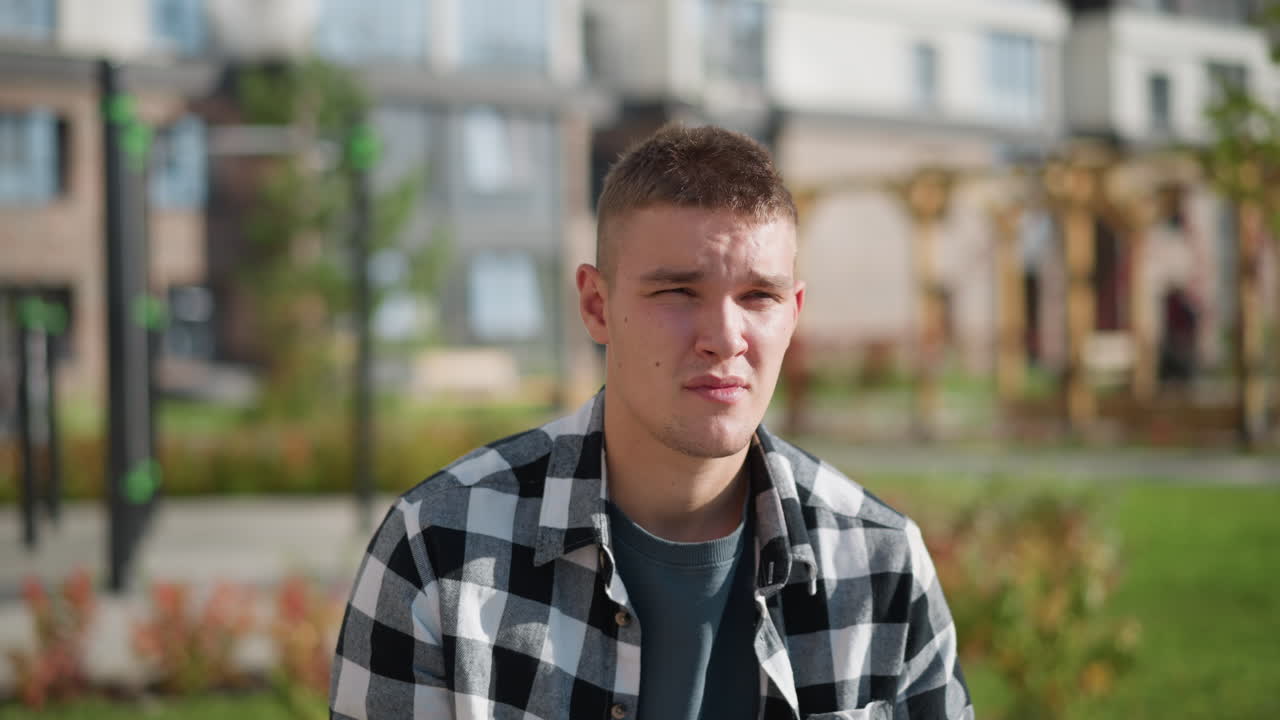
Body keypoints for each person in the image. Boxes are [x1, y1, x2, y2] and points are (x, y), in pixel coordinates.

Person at [330, 124, 972, 720]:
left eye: (759, 296)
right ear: (596, 305)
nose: (726, 337)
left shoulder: (882, 563)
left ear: (794, 312)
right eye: (678, 292)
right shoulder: (441, 546)